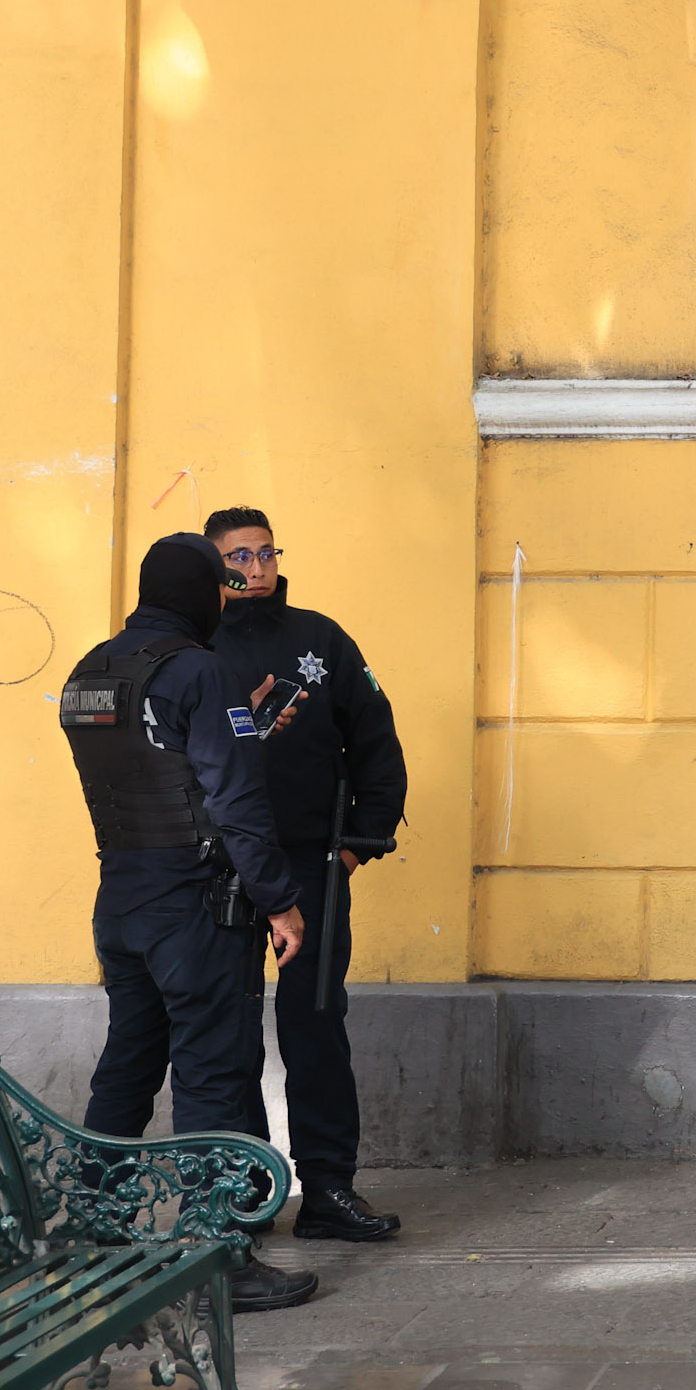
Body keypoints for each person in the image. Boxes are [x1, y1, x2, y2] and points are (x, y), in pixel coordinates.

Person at [58, 531, 319, 1311]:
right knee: (210, 1071)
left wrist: (244, 726)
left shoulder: (88, 673)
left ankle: (96, 1233)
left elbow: (154, 769)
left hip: (122, 902)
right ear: (198, 594)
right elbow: (231, 800)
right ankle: (217, 1265)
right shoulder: (201, 671)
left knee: (129, 1064)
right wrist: (279, 897)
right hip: (195, 910)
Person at [206, 507, 409, 1244]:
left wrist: (355, 847)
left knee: (316, 1027)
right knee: (226, 1034)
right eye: (238, 557)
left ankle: (328, 1189)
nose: (255, 568)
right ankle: (248, 1193)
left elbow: (378, 744)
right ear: (212, 565)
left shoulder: (320, 639)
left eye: (265, 553)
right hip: (220, 869)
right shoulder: (194, 645)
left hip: (311, 867)